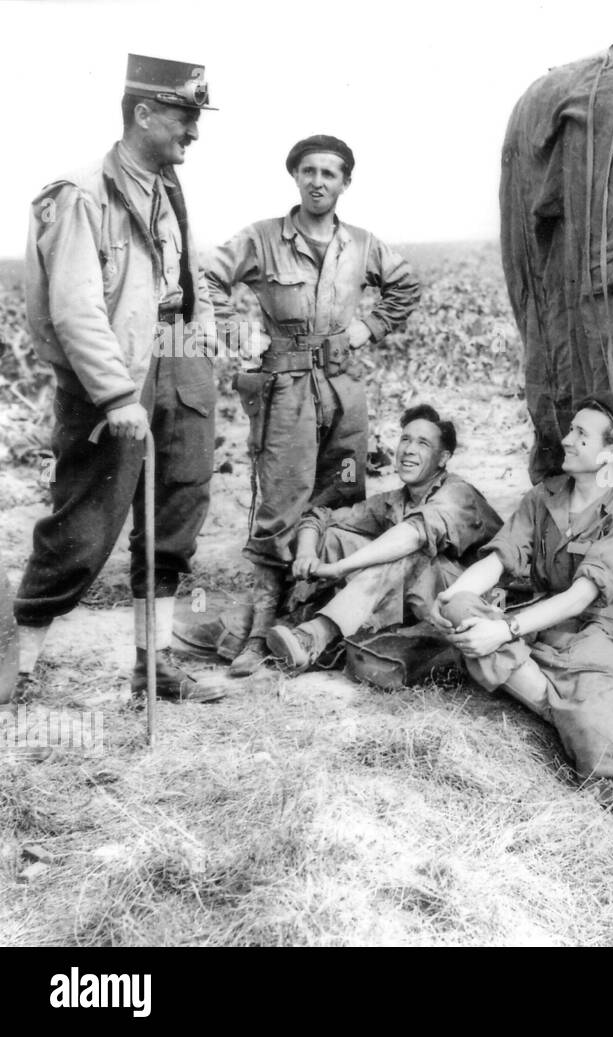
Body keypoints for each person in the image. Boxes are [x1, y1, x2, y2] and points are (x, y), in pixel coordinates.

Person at [429, 392, 613, 898]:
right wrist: (457, 594)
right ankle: (567, 713)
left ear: (612, 453)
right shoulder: (544, 496)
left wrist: (503, 631)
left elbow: (583, 595)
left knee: (600, 723)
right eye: (570, 430)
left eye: (582, 434)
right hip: (536, 626)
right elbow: (501, 558)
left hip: (595, 635)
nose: (566, 439)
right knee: (456, 608)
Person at [13, 54, 223, 704]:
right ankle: (12, 667)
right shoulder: (79, 193)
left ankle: (154, 668)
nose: (194, 133)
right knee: (83, 528)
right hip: (111, 379)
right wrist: (115, 395)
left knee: (176, 517)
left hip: (175, 363)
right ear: (144, 112)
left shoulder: (165, 185)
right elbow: (74, 309)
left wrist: (203, 334)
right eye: (186, 117)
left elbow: (184, 275)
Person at [205, 134, 421, 677]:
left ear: (345, 183)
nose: (318, 181)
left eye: (330, 173)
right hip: (286, 386)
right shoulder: (262, 238)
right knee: (281, 504)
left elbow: (405, 287)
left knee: (343, 496)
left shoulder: (363, 244)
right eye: (308, 171)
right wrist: (238, 332)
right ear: (295, 177)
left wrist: (368, 327)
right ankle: (258, 633)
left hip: (344, 387)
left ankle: (316, 620)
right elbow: (207, 278)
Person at [264, 404, 502, 670]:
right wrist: (306, 552)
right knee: (334, 536)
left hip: (483, 602)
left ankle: (316, 635)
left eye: (423, 443)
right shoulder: (395, 500)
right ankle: (302, 618)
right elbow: (321, 516)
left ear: (443, 458)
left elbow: (413, 535)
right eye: (405, 439)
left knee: (407, 552)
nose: (409, 450)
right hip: (427, 601)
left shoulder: (458, 493)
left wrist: (339, 568)